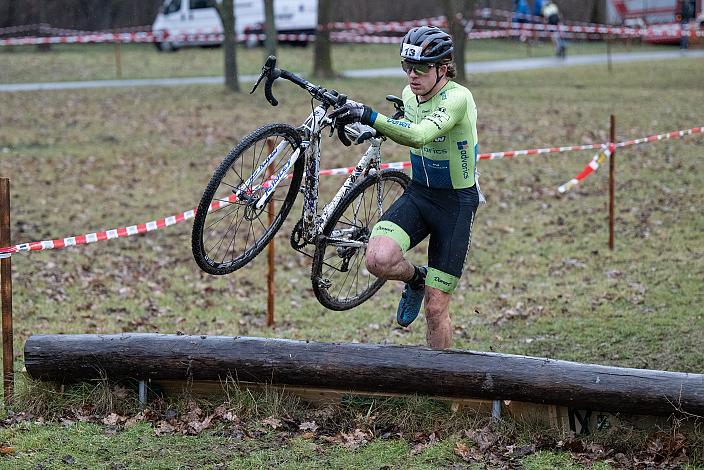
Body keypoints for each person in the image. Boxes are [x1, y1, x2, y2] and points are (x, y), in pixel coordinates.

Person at [330, 26, 482, 349]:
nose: (412, 75)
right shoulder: (409, 95)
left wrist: (370, 115)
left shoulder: (458, 98)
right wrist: (364, 127)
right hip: (419, 194)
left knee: (436, 307)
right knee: (376, 259)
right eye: (407, 66)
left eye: (422, 67)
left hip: (455, 204)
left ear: (443, 68)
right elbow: (404, 125)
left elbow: (418, 135)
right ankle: (416, 278)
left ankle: (439, 389)